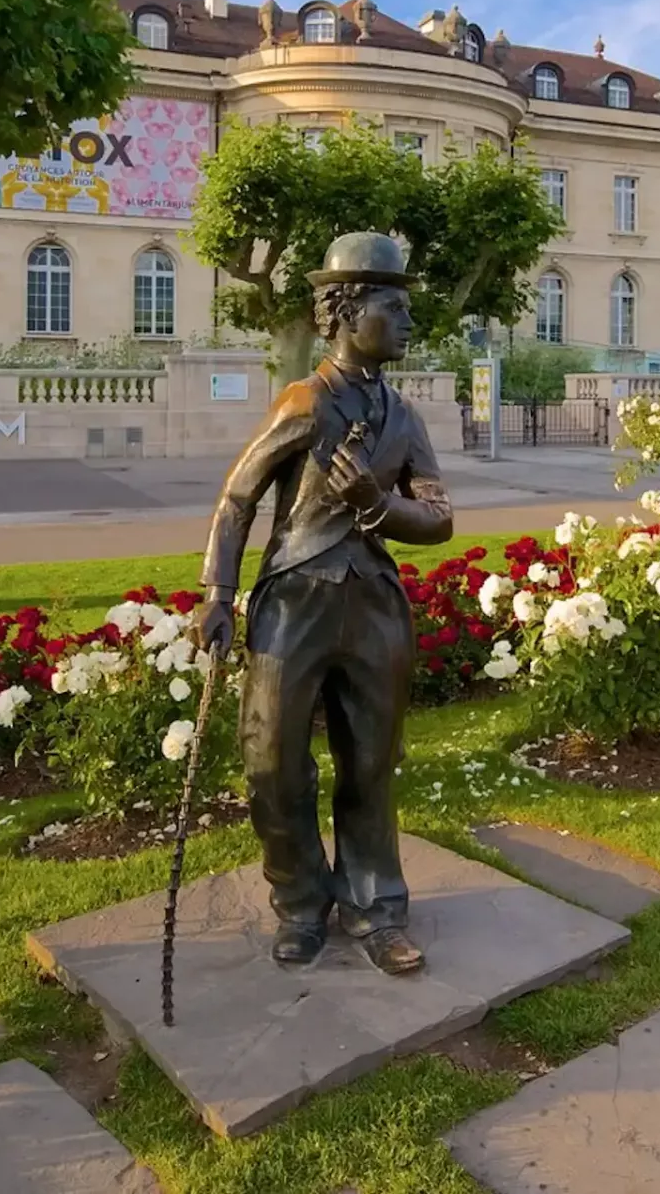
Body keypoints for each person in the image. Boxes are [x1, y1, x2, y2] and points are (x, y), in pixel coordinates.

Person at [190, 232, 453, 972]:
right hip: (294, 604)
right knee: (272, 762)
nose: (408, 321)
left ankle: (377, 910)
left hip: (372, 606)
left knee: (370, 764)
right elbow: (237, 499)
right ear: (343, 311)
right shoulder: (303, 403)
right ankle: (300, 903)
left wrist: (377, 504)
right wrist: (217, 592)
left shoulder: (405, 418)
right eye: (392, 307)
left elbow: (438, 517)